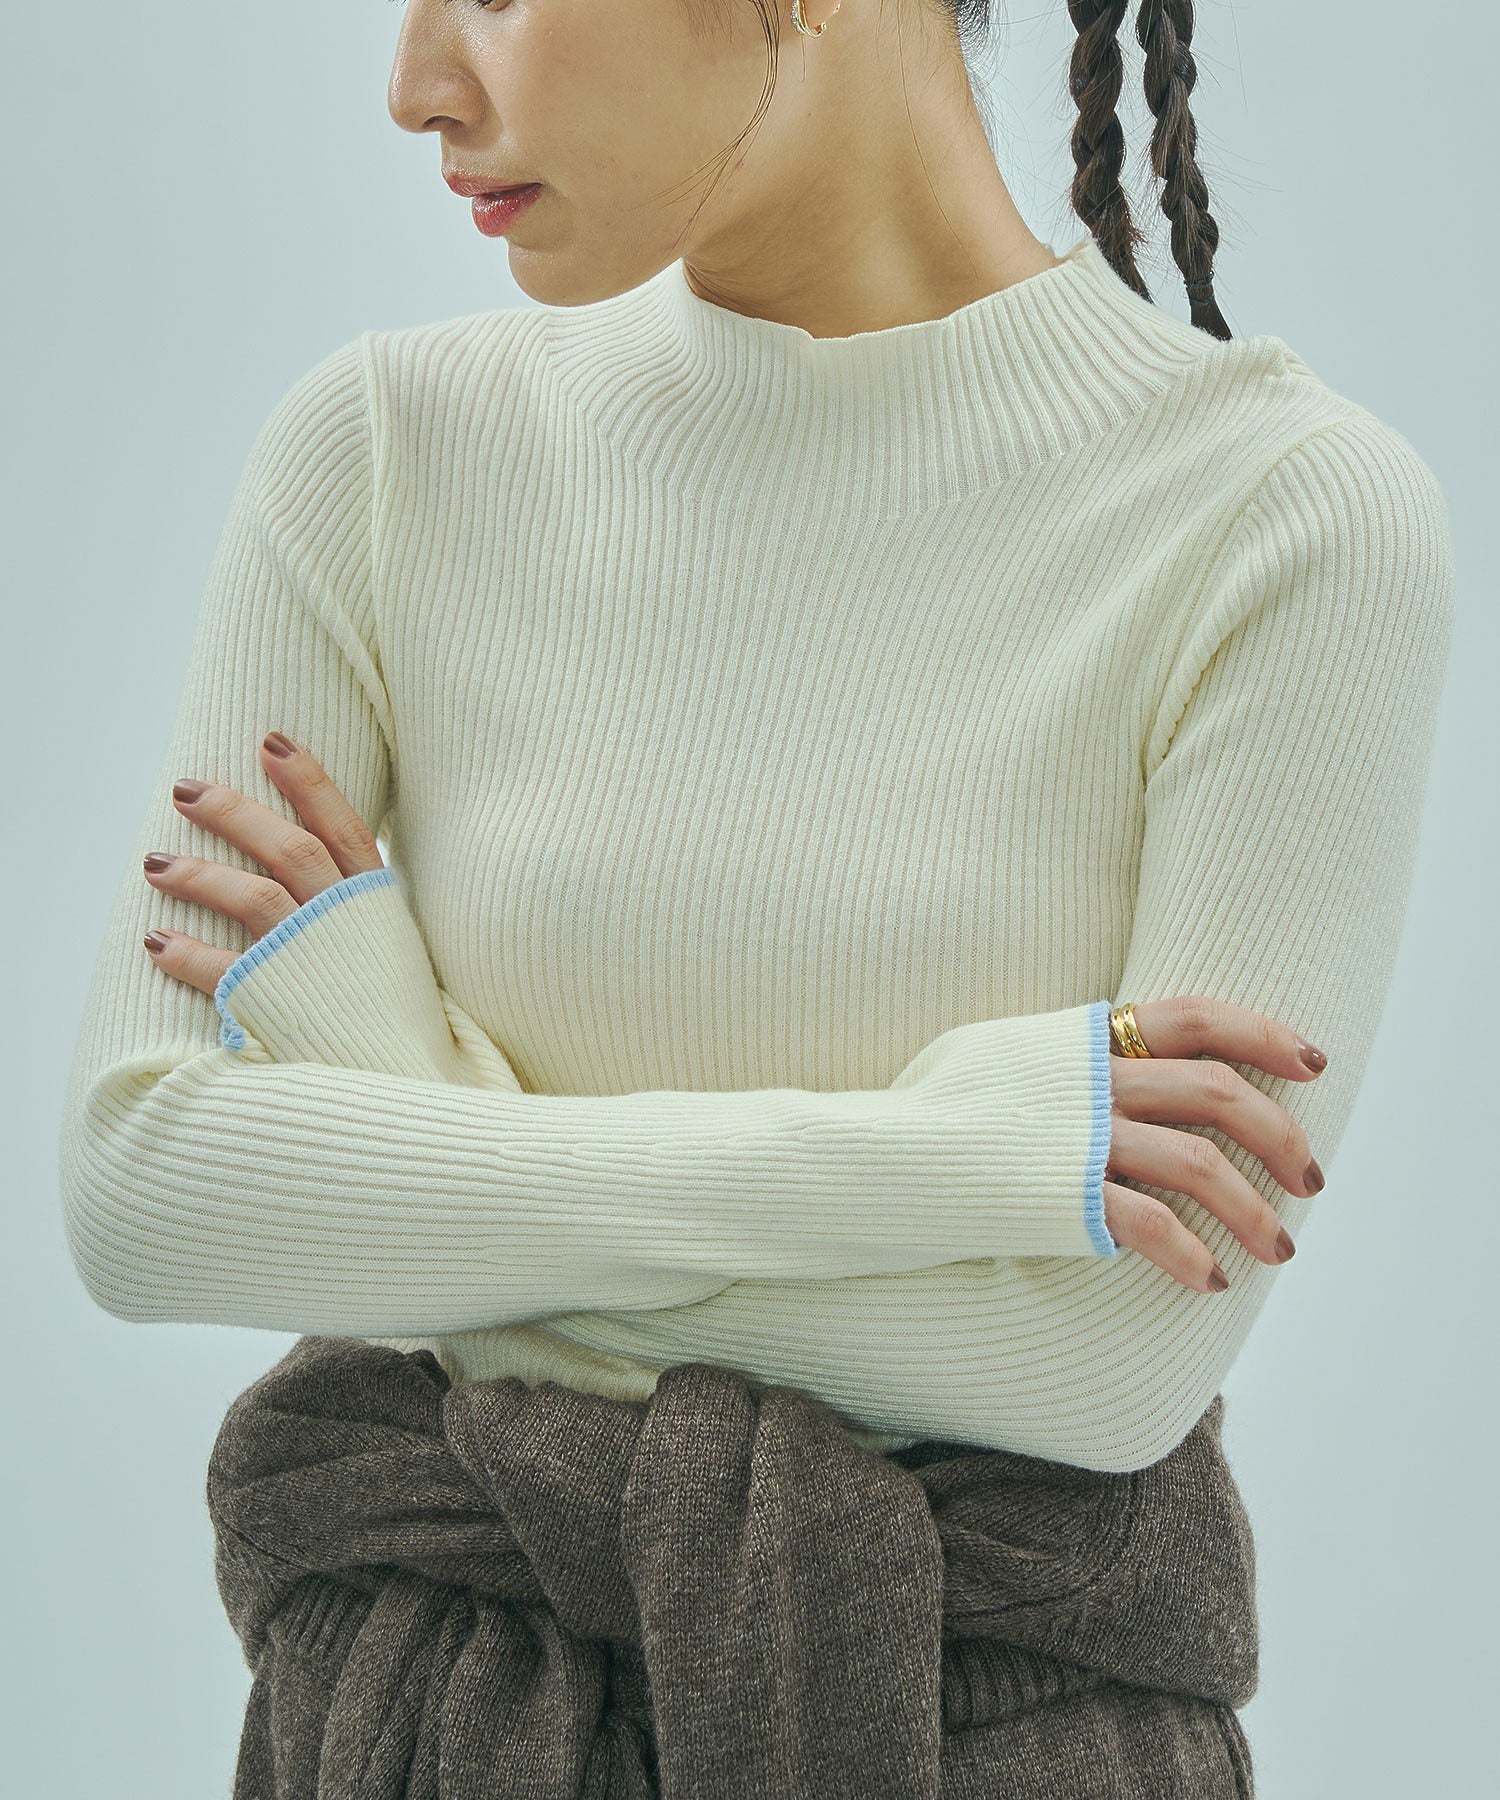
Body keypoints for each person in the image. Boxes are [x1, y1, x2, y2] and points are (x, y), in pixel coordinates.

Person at [58, 0, 1455, 1789]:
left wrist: (408, 1097)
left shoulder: (1283, 519)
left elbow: (1104, 1367)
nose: (414, 87)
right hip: (422, 1738)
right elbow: (149, 1186)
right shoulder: (386, 450)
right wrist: (943, 1158)